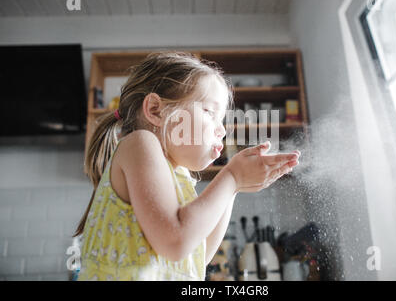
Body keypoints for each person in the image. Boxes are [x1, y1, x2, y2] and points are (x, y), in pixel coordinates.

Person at [73, 51, 300, 281]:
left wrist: (235, 187)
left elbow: (196, 257)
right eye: (209, 113)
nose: (221, 130)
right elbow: (176, 242)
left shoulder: (179, 175)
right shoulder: (140, 144)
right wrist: (231, 177)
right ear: (155, 110)